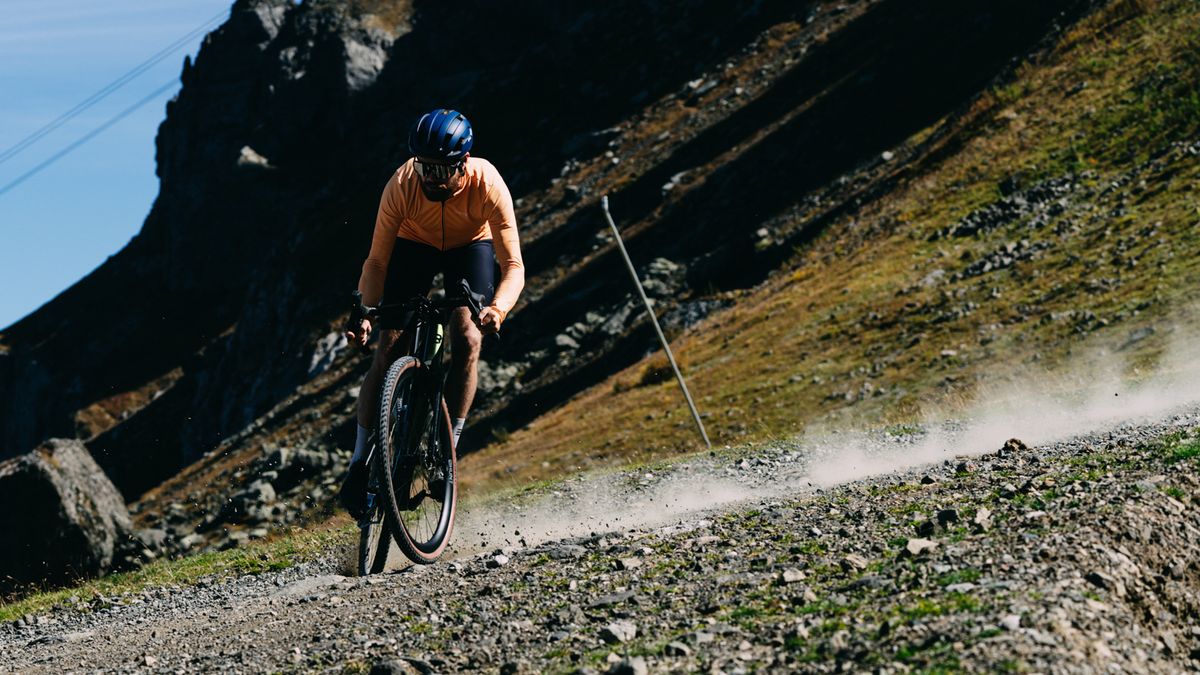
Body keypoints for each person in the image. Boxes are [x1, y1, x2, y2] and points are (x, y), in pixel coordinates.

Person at [339, 108, 524, 517]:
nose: (431, 178)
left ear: (464, 164)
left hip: (468, 247)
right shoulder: (403, 185)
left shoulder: (488, 184)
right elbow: (376, 263)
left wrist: (498, 308)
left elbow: (513, 266)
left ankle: (448, 456)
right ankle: (357, 466)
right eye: (425, 167)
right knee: (386, 352)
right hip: (414, 245)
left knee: (468, 339)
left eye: (442, 170)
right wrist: (367, 314)